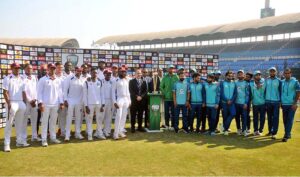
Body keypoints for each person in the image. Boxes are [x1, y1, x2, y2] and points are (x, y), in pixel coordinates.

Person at [37, 63, 64, 147]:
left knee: (53, 122)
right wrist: (40, 103)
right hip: (45, 104)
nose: (52, 69)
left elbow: (60, 92)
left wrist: (61, 102)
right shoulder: (42, 79)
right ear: (48, 69)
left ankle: (53, 137)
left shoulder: (58, 80)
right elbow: (39, 93)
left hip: (55, 104)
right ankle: (44, 139)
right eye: (50, 68)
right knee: (44, 122)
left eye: (53, 68)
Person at [3, 63, 27, 152]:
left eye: (18, 68)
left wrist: (24, 102)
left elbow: (24, 92)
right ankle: (6, 144)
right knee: (9, 124)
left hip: (20, 102)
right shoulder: (7, 78)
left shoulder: (22, 78)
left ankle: (19, 141)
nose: (17, 69)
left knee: (19, 124)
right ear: (12, 68)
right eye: (15, 68)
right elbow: (5, 92)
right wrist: (8, 103)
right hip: (12, 102)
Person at [83, 67, 105, 140]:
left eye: (95, 72)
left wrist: (103, 104)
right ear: (90, 73)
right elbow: (85, 95)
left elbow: (102, 94)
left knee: (99, 119)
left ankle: (100, 134)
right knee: (89, 120)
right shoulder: (86, 82)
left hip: (99, 104)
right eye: (93, 72)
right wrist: (86, 106)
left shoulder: (100, 81)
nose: (94, 74)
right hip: (90, 104)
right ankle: (90, 135)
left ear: (97, 73)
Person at [64, 66, 85, 141]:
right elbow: (65, 89)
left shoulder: (83, 79)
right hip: (71, 101)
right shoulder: (69, 78)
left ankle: (77, 133)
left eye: (80, 71)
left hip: (79, 101)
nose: (79, 72)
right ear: (75, 71)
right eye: (77, 71)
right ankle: (67, 135)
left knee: (78, 118)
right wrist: (65, 100)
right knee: (69, 118)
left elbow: (84, 91)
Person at [22, 63, 40, 142]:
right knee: (24, 120)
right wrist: (30, 100)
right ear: (25, 69)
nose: (30, 70)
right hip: (26, 102)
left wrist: (35, 99)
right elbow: (24, 91)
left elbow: (37, 89)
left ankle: (34, 136)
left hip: (34, 102)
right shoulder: (22, 78)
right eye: (28, 68)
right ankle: (24, 137)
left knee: (34, 120)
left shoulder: (34, 77)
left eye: (31, 68)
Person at [281, 68, 300, 142]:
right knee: (285, 120)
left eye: (288, 73)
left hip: (292, 104)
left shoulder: (295, 82)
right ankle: (288, 133)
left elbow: (298, 92)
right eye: (285, 73)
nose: (287, 74)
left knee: (289, 119)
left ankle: (286, 135)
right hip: (284, 104)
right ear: (284, 74)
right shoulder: (282, 82)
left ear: (290, 73)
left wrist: (295, 103)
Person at [112, 67, 131, 140]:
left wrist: (129, 101)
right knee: (118, 117)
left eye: (124, 72)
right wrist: (114, 102)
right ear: (119, 72)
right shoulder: (115, 80)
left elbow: (128, 92)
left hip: (126, 99)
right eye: (122, 72)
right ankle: (115, 134)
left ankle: (120, 131)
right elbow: (113, 92)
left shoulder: (126, 80)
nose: (123, 73)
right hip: (119, 99)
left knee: (123, 117)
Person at [160, 65, 179, 130]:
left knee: (174, 112)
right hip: (166, 98)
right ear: (167, 70)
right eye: (170, 69)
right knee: (166, 113)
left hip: (174, 99)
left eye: (172, 69)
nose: (171, 70)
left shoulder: (176, 77)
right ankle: (167, 125)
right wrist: (164, 93)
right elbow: (161, 87)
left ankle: (173, 126)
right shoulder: (165, 77)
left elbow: (178, 86)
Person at [265, 67, 282, 139]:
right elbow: (264, 90)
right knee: (269, 117)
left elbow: (281, 91)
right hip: (268, 101)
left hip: (276, 102)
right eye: (271, 71)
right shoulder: (267, 80)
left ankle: (274, 132)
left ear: (276, 72)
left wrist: (280, 101)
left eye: (273, 71)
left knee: (275, 117)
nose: (272, 73)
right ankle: (270, 131)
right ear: (269, 72)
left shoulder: (279, 81)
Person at [220, 70, 237, 135]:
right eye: (229, 76)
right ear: (226, 76)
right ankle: (226, 130)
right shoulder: (222, 83)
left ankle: (223, 126)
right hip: (224, 103)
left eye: (231, 75)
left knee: (233, 114)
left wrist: (231, 100)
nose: (230, 77)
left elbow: (235, 93)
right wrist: (227, 100)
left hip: (231, 103)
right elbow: (221, 93)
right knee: (225, 116)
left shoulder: (234, 83)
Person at [250, 71, 266, 136]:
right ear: (254, 76)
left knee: (262, 118)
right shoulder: (251, 84)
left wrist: (261, 84)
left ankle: (260, 130)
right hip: (255, 104)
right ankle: (255, 130)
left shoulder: (264, 82)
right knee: (255, 118)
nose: (258, 76)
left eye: (259, 75)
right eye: (256, 75)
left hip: (263, 103)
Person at [234, 70, 250, 136]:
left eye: (241, 74)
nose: (240, 75)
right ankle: (238, 129)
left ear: (244, 75)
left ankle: (244, 130)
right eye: (239, 74)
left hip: (243, 104)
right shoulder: (235, 83)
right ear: (237, 75)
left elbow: (247, 94)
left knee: (244, 117)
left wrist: (246, 103)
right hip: (236, 103)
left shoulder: (246, 83)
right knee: (237, 117)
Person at [101, 69, 114, 137]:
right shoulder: (101, 81)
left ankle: (107, 131)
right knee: (101, 117)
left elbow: (113, 93)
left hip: (110, 101)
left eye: (110, 74)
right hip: (103, 101)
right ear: (104, 74)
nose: (109, 75)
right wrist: (102, 103)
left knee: (108, 117)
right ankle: (99, 131)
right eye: (107, 74)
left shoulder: (112, 82)